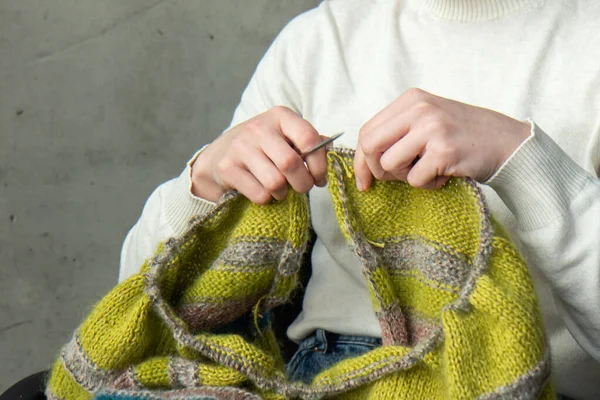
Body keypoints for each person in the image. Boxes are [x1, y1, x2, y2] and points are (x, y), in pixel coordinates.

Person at [119, 0, 600, 398]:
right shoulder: (317, 42)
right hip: (320, 378)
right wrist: (205, 184)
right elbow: (133, 313)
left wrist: (521, 160)